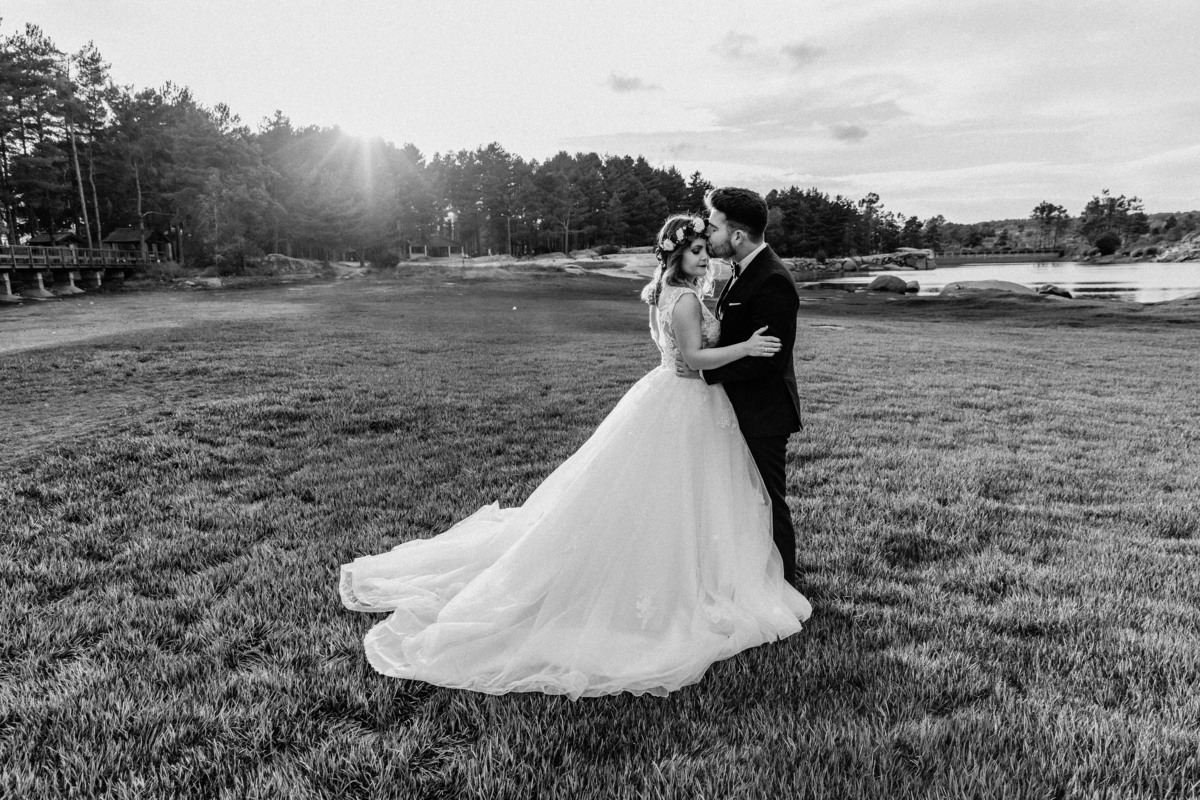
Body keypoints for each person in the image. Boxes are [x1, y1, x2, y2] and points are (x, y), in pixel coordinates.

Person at [339, 214, 810, 700]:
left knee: (664, 493)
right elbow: (692, 360)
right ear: (675, 255)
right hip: (688, 402)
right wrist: (746, 346)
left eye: (704, 250)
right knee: (680, 491)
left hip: (669, 398)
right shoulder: (687, 299)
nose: (703, 257)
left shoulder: (662, 294)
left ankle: (697, 567)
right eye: (694, 251)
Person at [677, 187, 804, 588]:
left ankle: (783, 583)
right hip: (736, 408)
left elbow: (768, 359)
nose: (707, 235)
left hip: (762, 411)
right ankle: (748, 572)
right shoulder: (742, 270)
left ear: (736, 236)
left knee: (767, 500)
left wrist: (704, 373)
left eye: (713, 227)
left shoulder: (772, 280)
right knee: (741, 496)